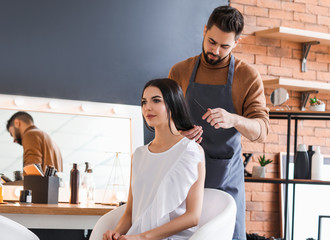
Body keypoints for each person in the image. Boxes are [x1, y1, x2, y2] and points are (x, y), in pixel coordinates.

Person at [168, 6, 270, 240]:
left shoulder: (248, 76)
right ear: (204, 31)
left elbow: (262, 130)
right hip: (183, 179)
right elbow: (162, 122)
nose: (215, 51)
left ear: (237, 42)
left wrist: (233, 119)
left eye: (224, 46)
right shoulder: (180, 71)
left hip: (225, 181)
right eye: (211, 41)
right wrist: (177, 135)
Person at [103, 78, 205, 240]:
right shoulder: (139, 155)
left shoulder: (191, 152)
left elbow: (193, 217)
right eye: (144, 102)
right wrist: (116, 233)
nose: (147, 107)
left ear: (173, 104)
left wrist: (142, 237)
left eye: (156, 100)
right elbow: (130, 214)